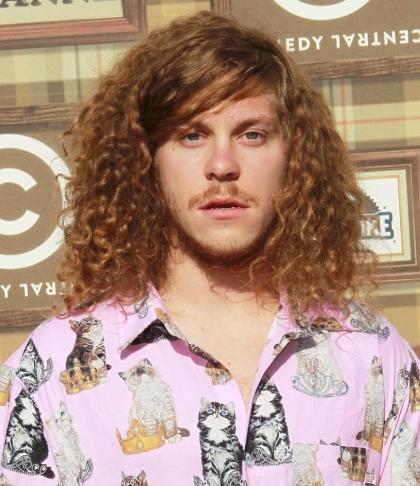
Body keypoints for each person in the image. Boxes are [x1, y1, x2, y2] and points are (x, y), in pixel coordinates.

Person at [0, 10, 419, 486]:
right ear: (147, 161)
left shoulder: (372, 354)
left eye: (252, 134)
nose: (222, 164)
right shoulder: (50, 370)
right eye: (192, 135)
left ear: (294, 158)